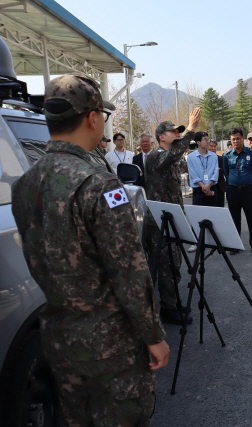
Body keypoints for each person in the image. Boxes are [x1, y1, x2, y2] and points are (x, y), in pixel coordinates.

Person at [11, 73, 169, 426]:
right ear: (93, 118)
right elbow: (129, 272)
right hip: (110, 349)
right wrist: (153, 336)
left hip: (59, 340)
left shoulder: (24, 185)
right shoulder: (100, 185)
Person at [145, 110, 201, 325]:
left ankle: (173, 301)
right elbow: (173, 155)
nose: (177, 134)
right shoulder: (155, 156)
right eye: (172, 132)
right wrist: (190, 129)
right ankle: (168, 309)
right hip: (160, 222)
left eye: (178, 132)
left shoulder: (171, 157)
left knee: (174, 264)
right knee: (166, 266)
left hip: (172, 219)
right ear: (161, 136)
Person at [223, 128, 252, 254]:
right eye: (233, 139)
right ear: (230, 140)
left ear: (242, 139)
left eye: (238, 138)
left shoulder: (251, 154)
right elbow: (226, 173)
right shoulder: (226, 155)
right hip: (233, 191)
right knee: (234, 219)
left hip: (248, 191)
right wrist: (234, 183)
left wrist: (246, 182)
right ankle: (235, 246)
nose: (235, 141)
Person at [187, 131, 219, 253]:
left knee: (213, 214)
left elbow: (215, 172)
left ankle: (213, 241)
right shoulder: (191, 157)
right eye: (205, 139)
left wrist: (209, 185)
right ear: (198, 142)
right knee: (197, 216)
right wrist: (203, 187)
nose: (208, 141)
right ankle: (196, 241)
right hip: (199, 189)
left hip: (211, 187)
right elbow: (193, 174)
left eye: (208, 139)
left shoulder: (213, 156)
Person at [209, 139, 227, 207]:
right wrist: (217, 170)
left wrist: (214, 170)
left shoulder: (220, 158)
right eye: (211, 146)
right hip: (209, 187)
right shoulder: (204, 159)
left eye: (215, 146)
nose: (213, 148)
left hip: (220, 187)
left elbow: (224, 170)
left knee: (220, 207)